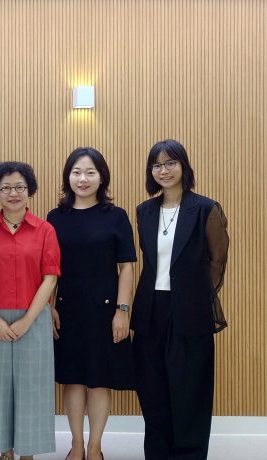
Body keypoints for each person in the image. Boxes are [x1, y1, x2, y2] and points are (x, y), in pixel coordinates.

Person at [132, 139, 229, 460]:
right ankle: (158, 453)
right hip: (151, 311)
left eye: (170, 163)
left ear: (184, 166)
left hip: (190, 312)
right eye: (157, 165)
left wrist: (196, 298)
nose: (164, 170)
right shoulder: (145, 211)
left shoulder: (205, 209)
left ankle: (188, 454)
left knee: (191, 391)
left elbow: (217, 261)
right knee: (153, 390)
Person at [46, 148, 136, 460]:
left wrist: (122, 312)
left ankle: (95, 446)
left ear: (102, 177)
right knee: (73, 379)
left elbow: (127, 266)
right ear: (67, 177)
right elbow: (48, 269)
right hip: (67, 309)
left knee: (99, 381)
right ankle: (76, 444)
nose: (82, 179)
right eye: (76, 172)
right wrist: (49, 305)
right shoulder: (55, 218)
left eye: (90, 172)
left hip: (105, 310)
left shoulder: (116, 216)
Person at [0, 161, 59, 460]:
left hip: (34, 318)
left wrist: (29, 320)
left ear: (29, 189)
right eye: (6, 188)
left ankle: (28, 452)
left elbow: (50, 277)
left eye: (19, 187)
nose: (13, 193)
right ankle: (5, 449)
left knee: (32, 387)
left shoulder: (45, 229)